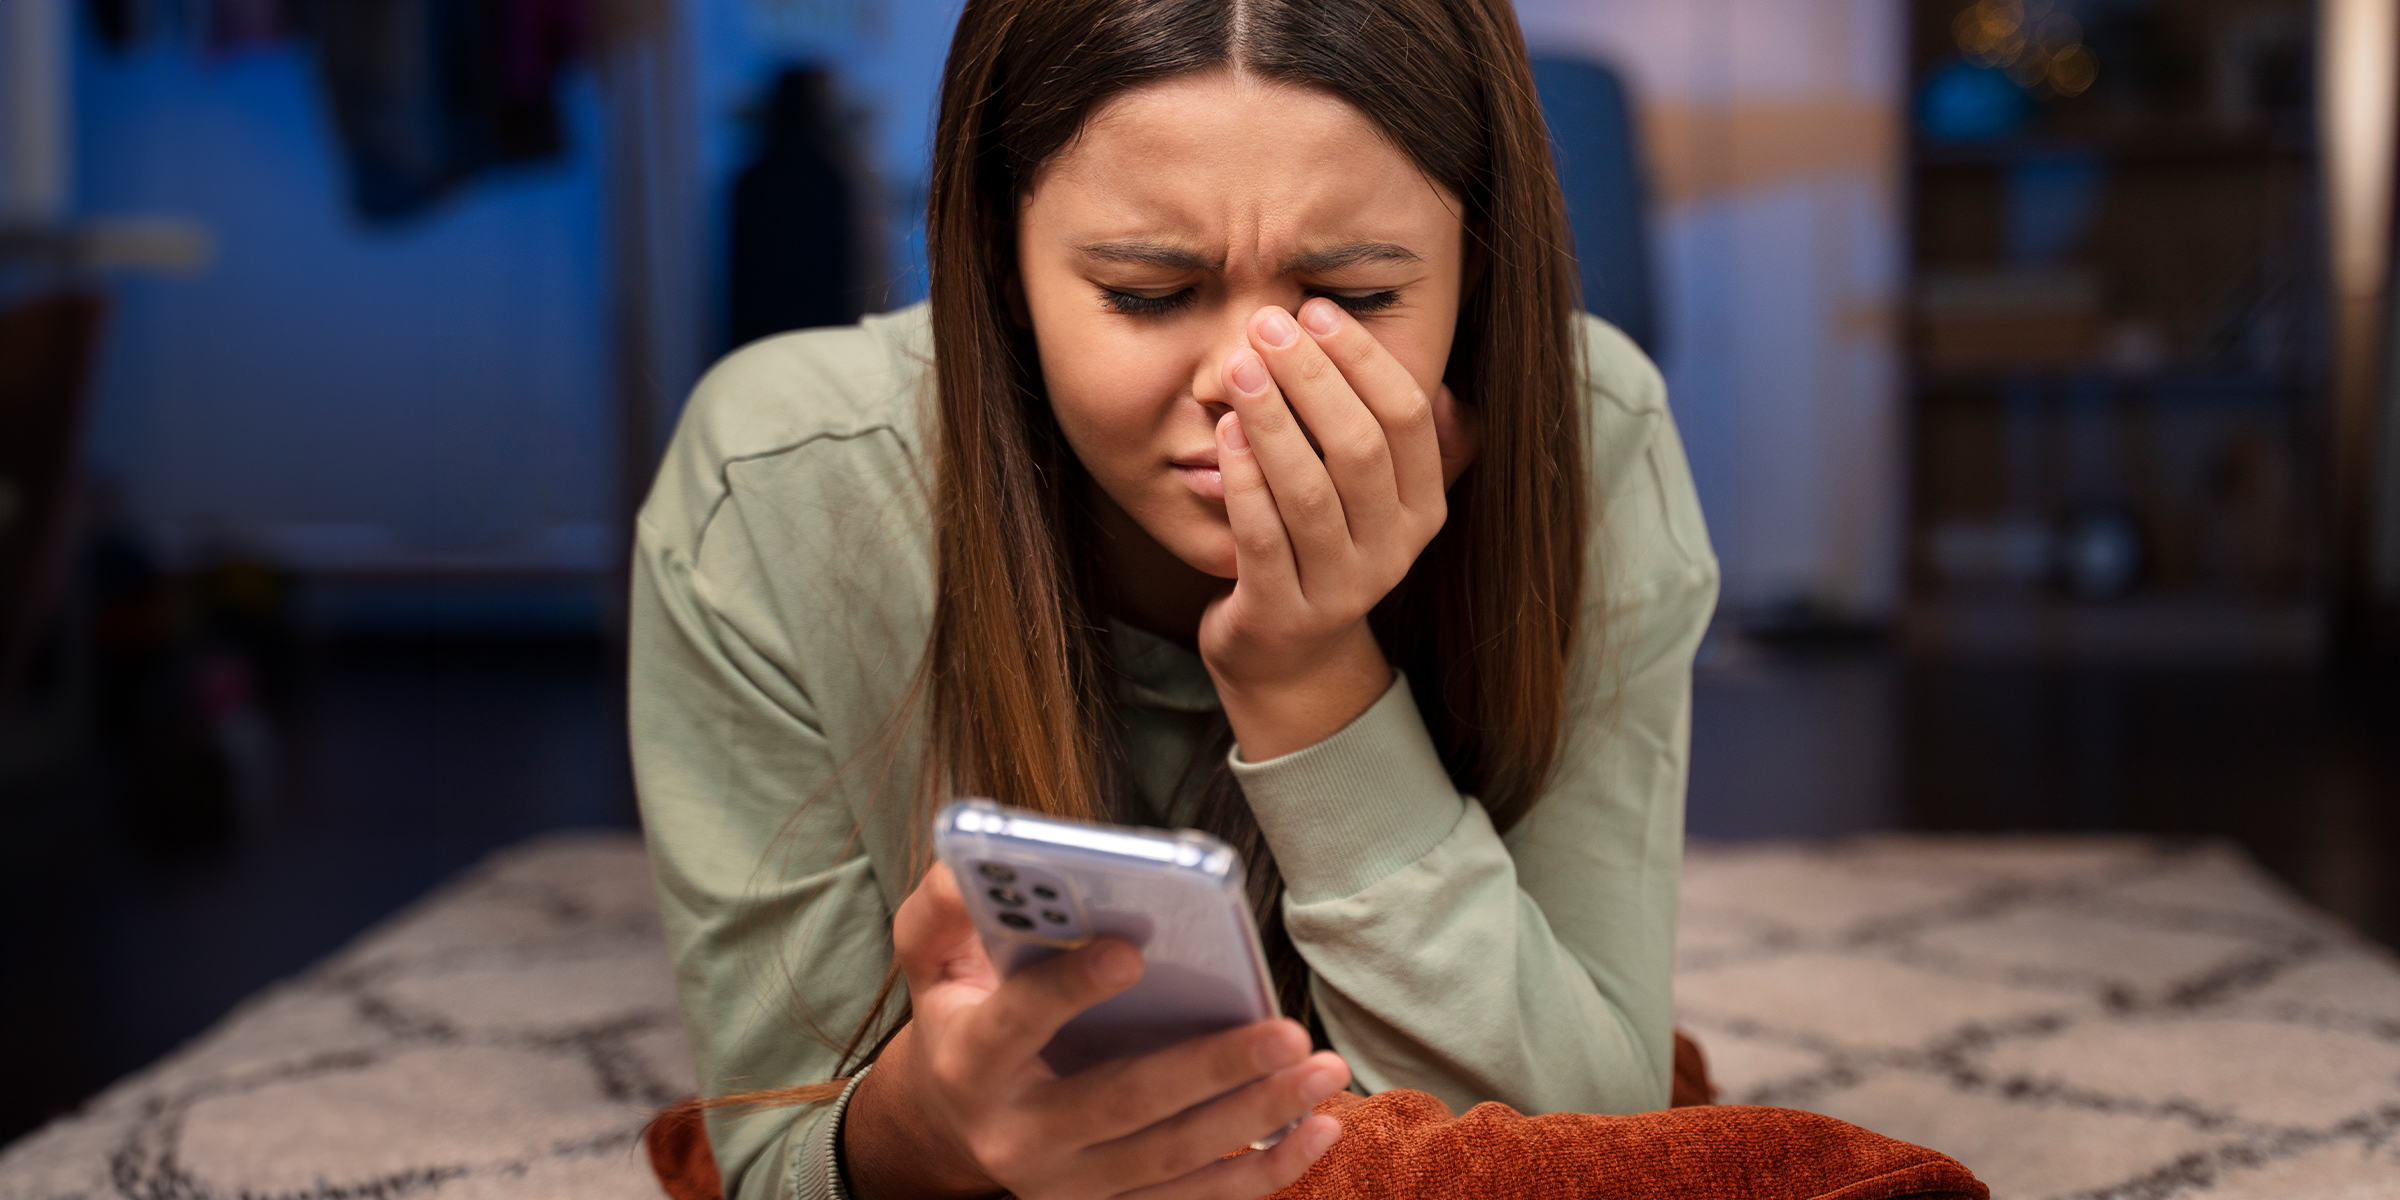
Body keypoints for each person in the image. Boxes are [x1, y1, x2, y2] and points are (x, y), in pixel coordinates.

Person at [629, 0, 1718, 1196]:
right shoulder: (785, 482)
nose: (1248, 388)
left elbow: (1599, 1149)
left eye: (1352, 300)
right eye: (1146, 292)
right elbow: (777, 1159)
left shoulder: (1586, 439)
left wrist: (1309, 677)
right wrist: (927, 1129)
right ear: (998, 251)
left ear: (1481, 257)